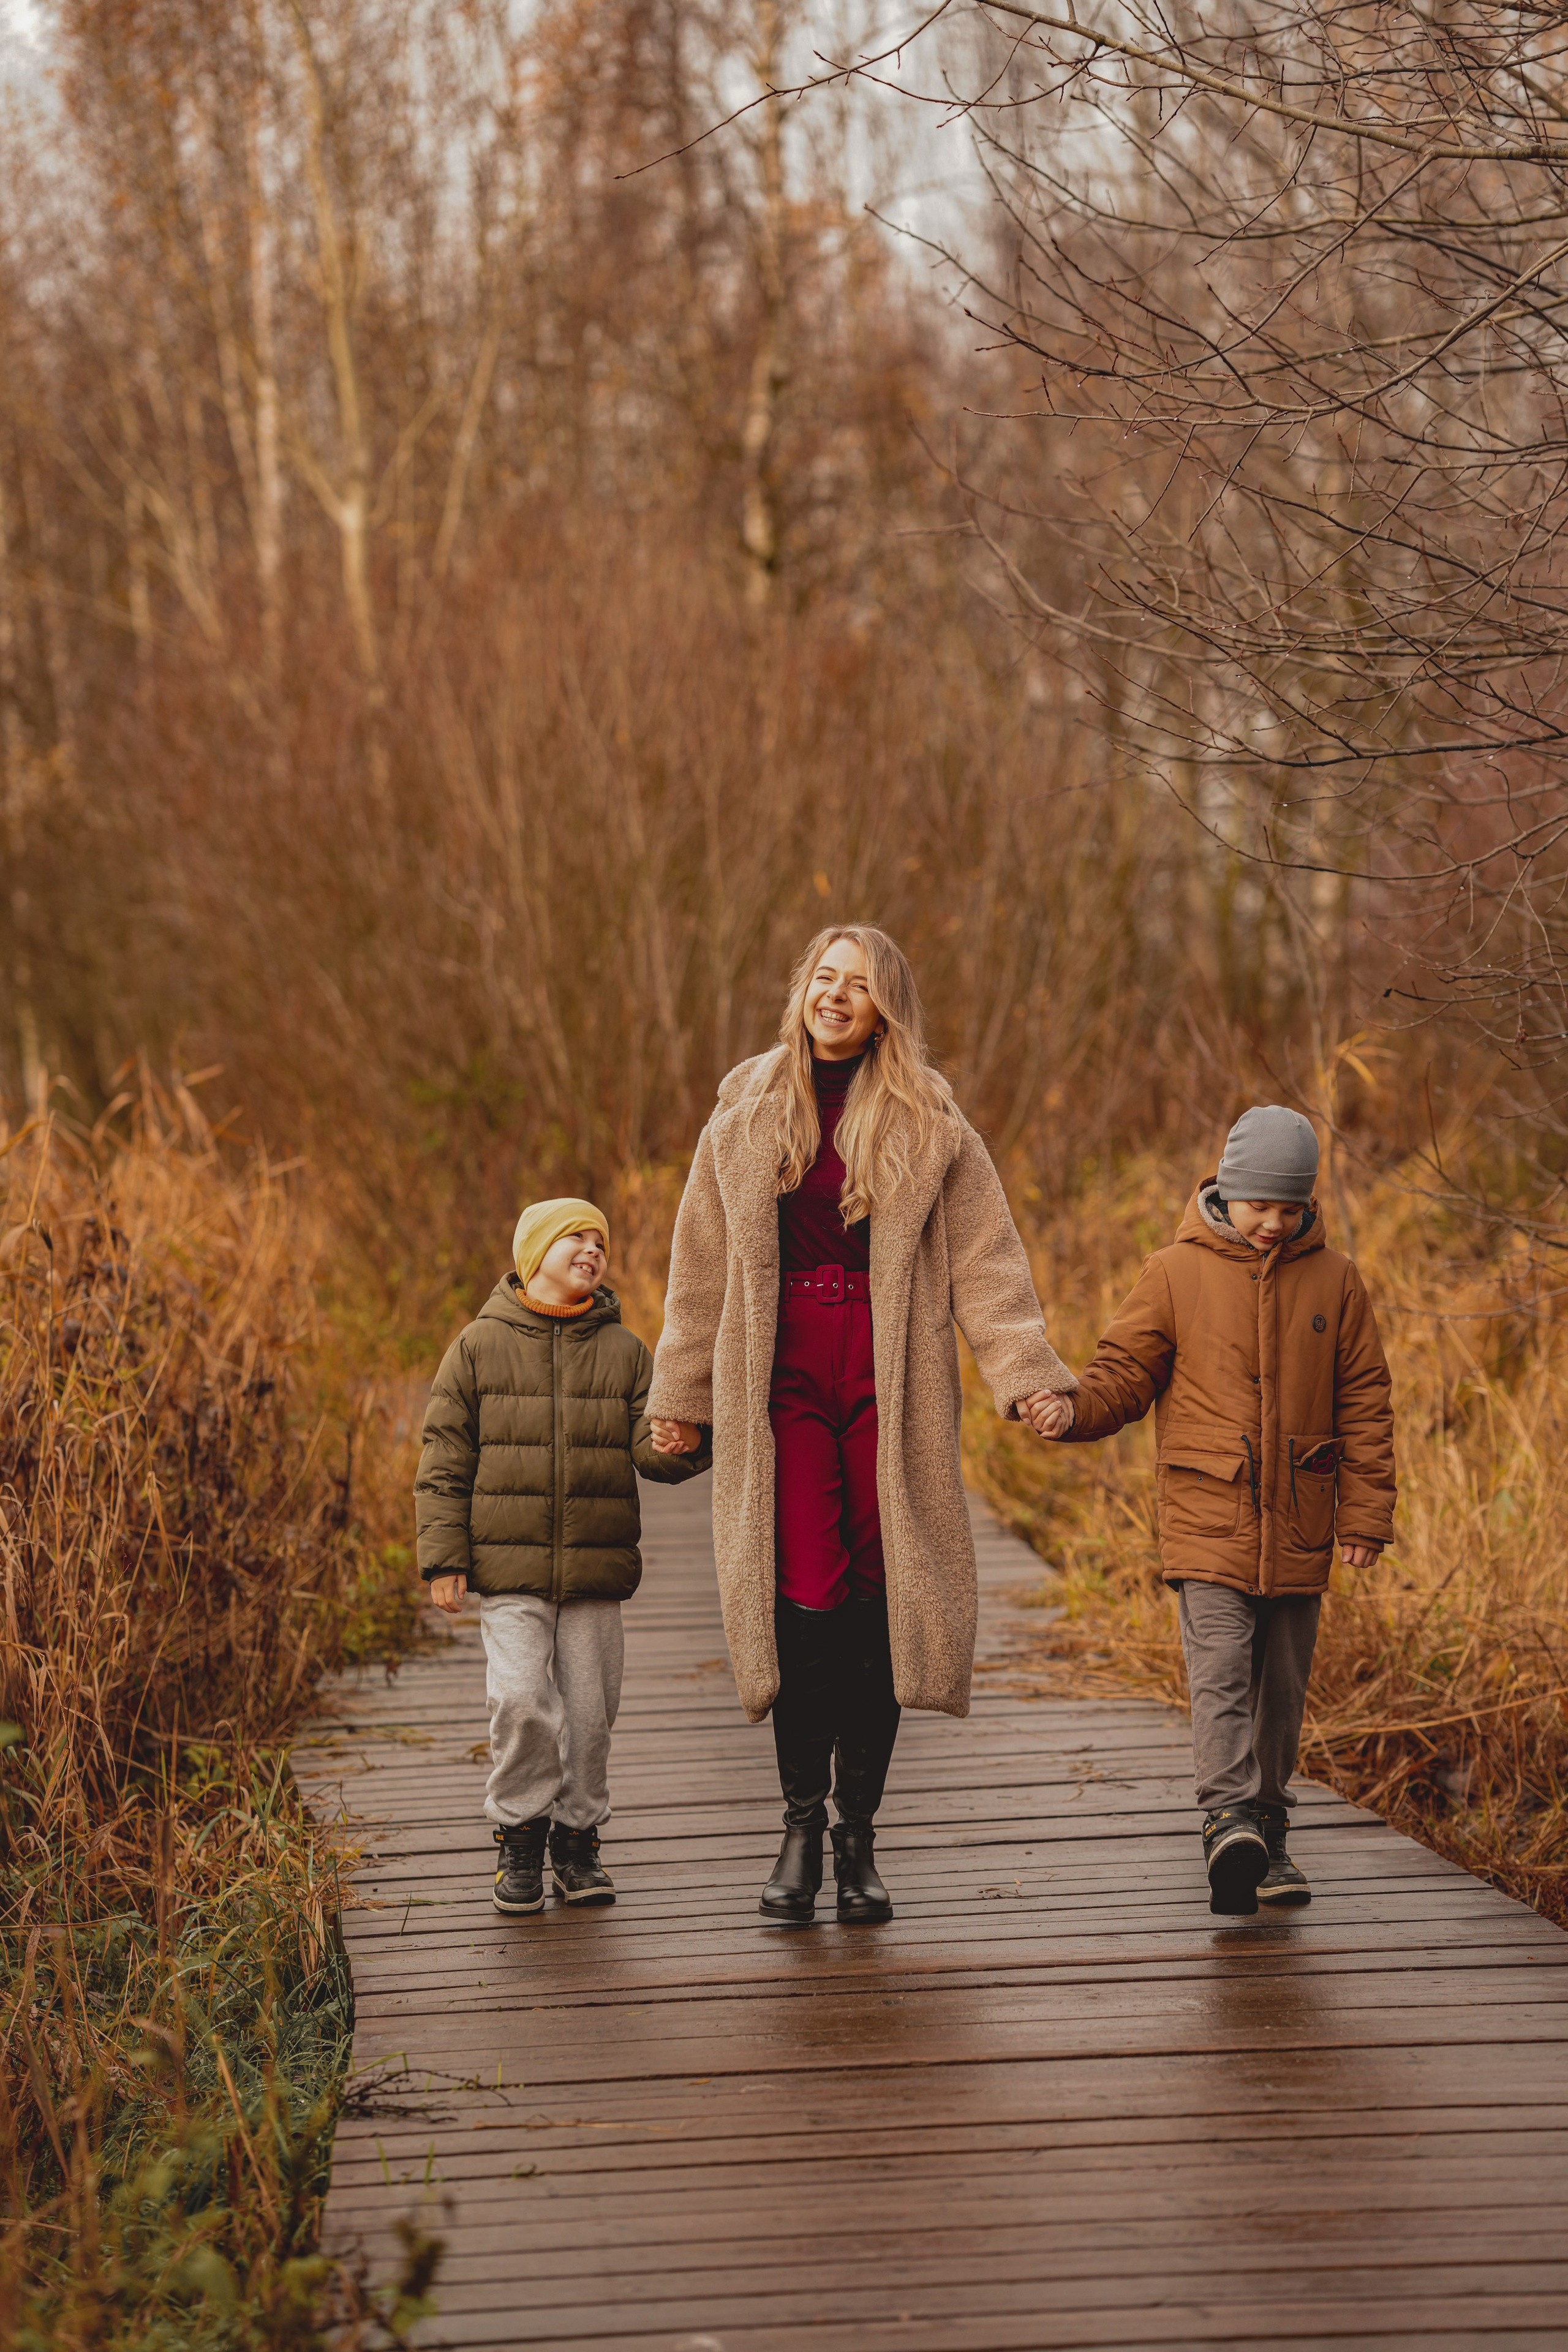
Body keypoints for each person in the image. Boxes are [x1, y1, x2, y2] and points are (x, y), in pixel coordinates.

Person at [646, 926, 1074, 1926]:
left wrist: (1027, 1376)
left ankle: (859, 1837)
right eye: (824, 980)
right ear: (803, 991)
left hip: (891, 1371)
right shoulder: (745, 1114)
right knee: (803, 1595)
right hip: (782, 1370)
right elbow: (699, 1268)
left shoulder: (932, 1123)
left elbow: (991, 1266)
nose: (837, 997)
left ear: (887, 1008)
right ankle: (799, 1824)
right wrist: (680, 1395)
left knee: (883, 1597)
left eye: (860, 986)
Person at [1030, 1106, 1396, 1915]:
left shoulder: (1336, 1281)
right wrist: (1073, 1408)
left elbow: (1365, 1401)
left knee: (1282, 1686)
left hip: (1302, 1518)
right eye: (1258, 1203)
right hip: (1208, 1512)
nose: (1272, 1221)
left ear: (1307, 1203)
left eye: (1288, 1206)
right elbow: (1125, 1371)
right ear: (1226, 1194)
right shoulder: (1174, 1272)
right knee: (1221, 1671)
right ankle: (1228, 1816)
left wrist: (1364, 1516)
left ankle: (1269, 1830)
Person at [414, 1199, 710, 1917]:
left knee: (590, 1711)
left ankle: (576, 1842)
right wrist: (443, 1558)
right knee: (519, 1699)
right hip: (507, 1569)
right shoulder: (478, 1347)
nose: (591, 1248)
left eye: (599, 1240)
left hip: (593, 1568)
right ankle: (520, 1832)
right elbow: (443, 1459)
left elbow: (649, 1449)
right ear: (533, 1253)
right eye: (575, 1236)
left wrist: (682, 1444)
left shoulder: (626, 1352)